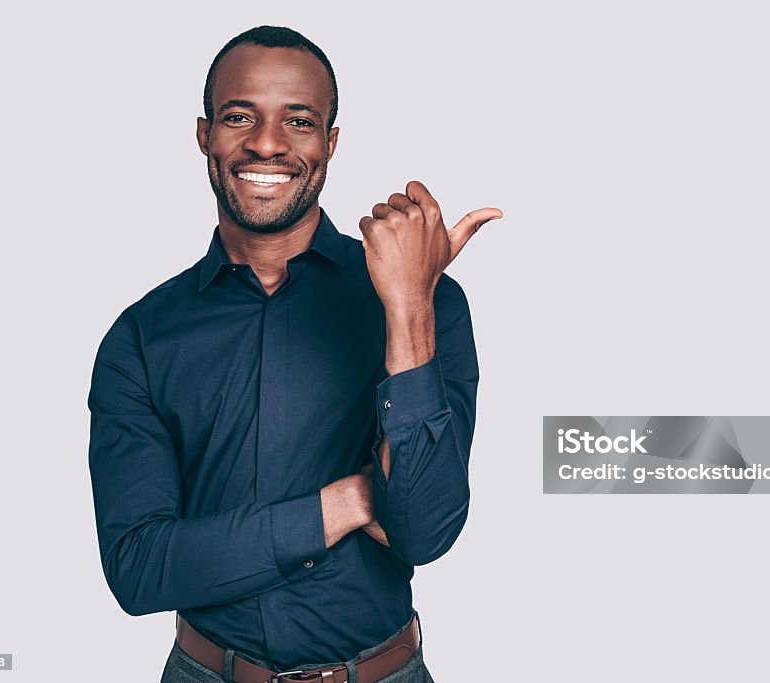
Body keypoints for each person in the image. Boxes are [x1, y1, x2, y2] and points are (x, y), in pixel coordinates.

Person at [87, 25, 501, 683]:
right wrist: (348, 502)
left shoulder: (429, 303)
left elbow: (425, 531)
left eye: (299, 121)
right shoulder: (142, 338)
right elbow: (140, 569)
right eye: (239, 116)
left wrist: (408, 310)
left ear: (330, 142)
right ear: (205, 135)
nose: (267, 142)